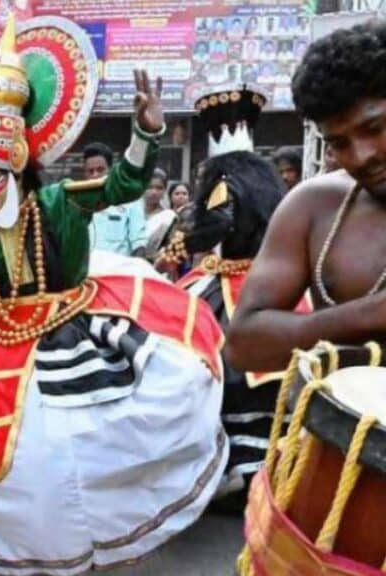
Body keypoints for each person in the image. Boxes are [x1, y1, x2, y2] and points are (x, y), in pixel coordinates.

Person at [0, 18, 224, 574]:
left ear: (16, 167)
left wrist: (144, 133)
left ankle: (73, 546)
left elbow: (123, 186)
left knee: (70, 441)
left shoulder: (61, 201)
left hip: (68, 324)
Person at [155, 84, 294, 505]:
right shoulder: (269, 182)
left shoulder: (224, 180)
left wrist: (177, 246)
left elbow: (219, 224)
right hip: (272, 282)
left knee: (195, 352)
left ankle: (227, 460)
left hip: (230, 283)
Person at [227, 21, 386, 374]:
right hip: (342, 410)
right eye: (339, 143)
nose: (361, 156)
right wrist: (373, 313)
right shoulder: (314, 206)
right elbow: (244, 345)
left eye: (374, 129)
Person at [85, 142, 148, 257]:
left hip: (118, 267)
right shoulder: (78, 202)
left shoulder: (129, 199)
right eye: (90, 171)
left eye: (100, 170)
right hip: (86, 267)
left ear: (111, 169)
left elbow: (139, 244)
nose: (95, 175)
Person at [143, 167, 176, 260]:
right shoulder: (130, 214)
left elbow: (170, 248)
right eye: (149, 187)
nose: (154, 192)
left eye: (159, 188)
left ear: (165, 191)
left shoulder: (169, 217)